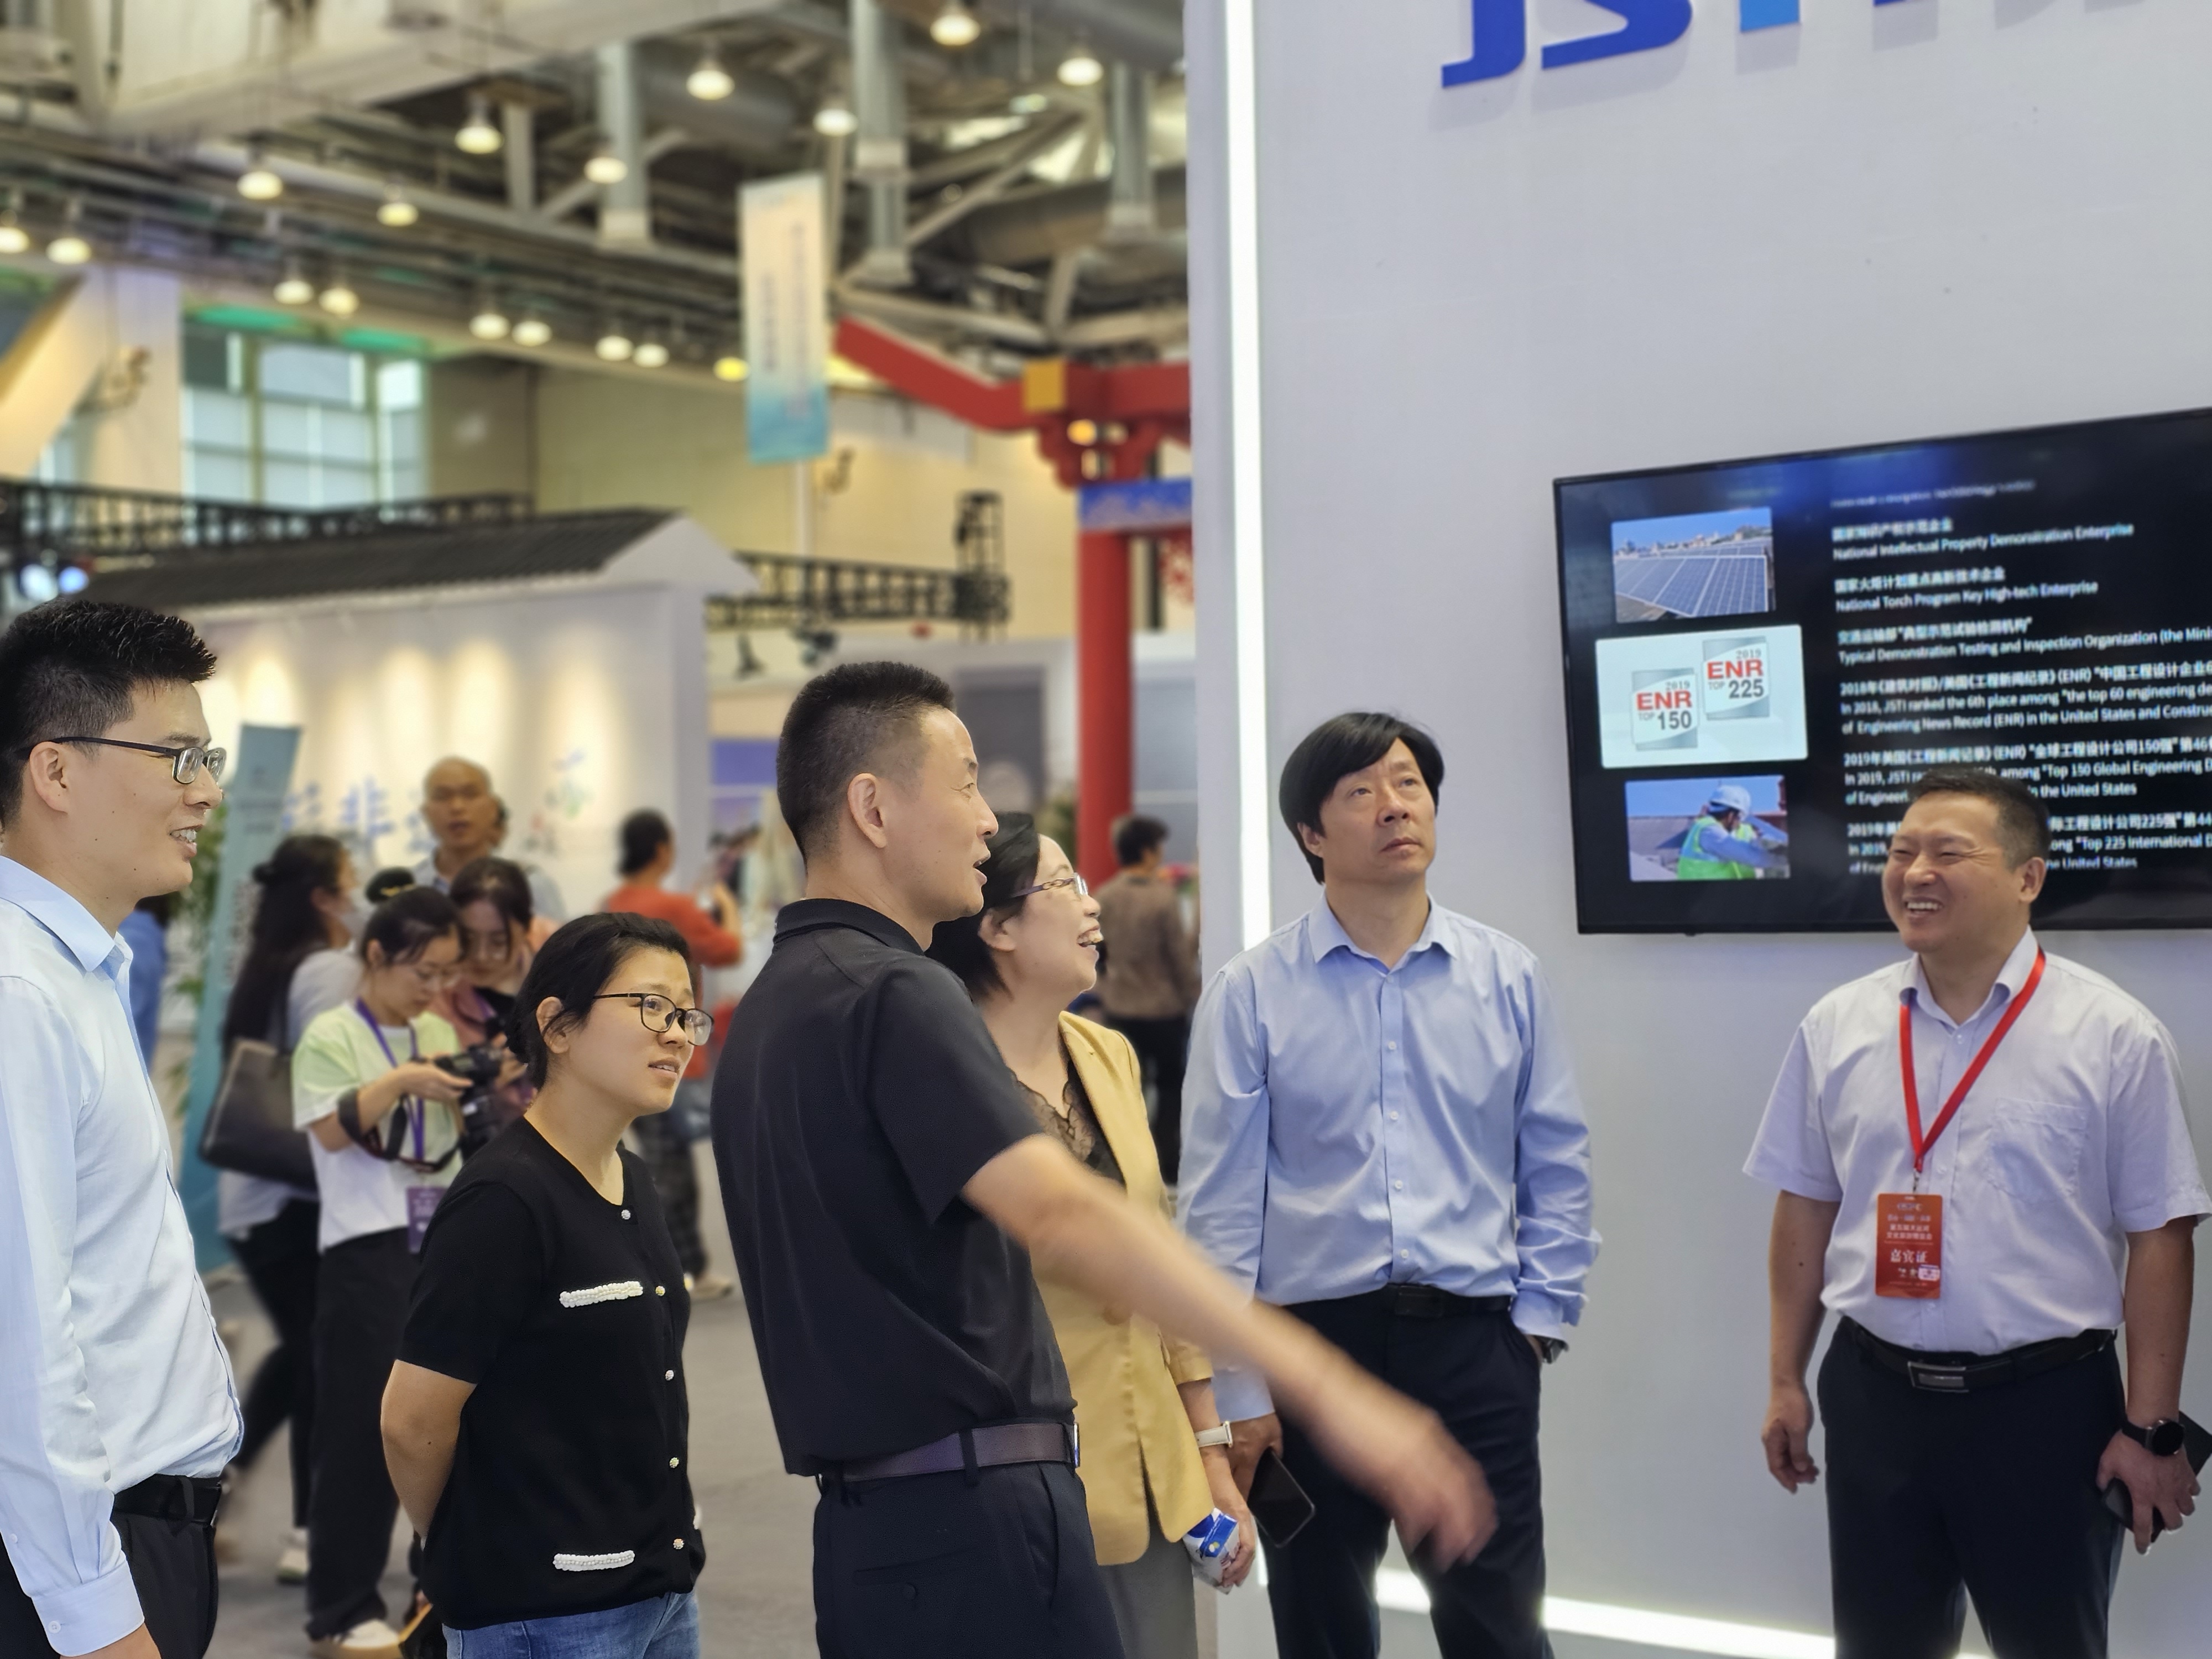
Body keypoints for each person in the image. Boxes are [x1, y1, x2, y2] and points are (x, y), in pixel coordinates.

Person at [713, 662, 1495, 1659]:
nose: (986, 822)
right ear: (872, 808)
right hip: (978, 1525)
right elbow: (1065, 1213)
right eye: (965, 784)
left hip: (875, 1537)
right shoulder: (897, 994)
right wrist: (1334, 1390)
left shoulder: (778, 1006)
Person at [1747, 767, 2209, 1659]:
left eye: (1948, 853)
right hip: (1874, 1395)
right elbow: (1805, 1201)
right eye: (1900, 852)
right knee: (1881, 1645)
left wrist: (2150, 1425)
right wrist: (1784, 1380)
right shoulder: (1838, 1025)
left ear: (2029, 877)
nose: (1915, 873)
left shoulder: (2114, 1035)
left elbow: (2162, 1234)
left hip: (2044, 1410)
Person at [1180, 712, 1599, 1659]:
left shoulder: (1507, 977)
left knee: (1499, 1626)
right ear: (1311, 834)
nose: (1395, 807)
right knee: (1323, 1625)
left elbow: (1557, 1159)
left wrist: (1536, 1326)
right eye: (1362, 792)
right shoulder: (1252, 993)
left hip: (1475, 1344)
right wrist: (1240, 1384)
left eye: (1409, 784)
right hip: (1309, 1351)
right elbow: (1220, 1206)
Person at [928, 814, 1256, 1659]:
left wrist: (1212, 1455)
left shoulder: (1107, 1054)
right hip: (1020, 1488)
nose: (1092, 904)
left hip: (1154, 1479)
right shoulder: (941, 1077)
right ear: (998, 928)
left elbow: (1158, 1257)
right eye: (1065, 885)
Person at [0, 598, 242, 1659]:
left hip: (140, 1536)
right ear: (56, 771)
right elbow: (21, 1343)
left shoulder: (78, 968)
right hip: (81, 1568)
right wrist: (99, 1620)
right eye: (178, 757)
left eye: (209, 759)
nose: (206, 791)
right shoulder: (19, 993)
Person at [383, 912, 707, 1659]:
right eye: (651, 1006)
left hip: (660, 1591)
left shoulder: (635, 1181)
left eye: (686, 1014)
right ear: (557, 1026)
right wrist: (467, 1541)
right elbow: (411, 1420)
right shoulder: (503, 1201)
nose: (676, 1034)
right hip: (543, 1613)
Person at [291, 888, 471, 1659]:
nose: (435, 989)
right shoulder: (331, 1034)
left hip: (441, 1237)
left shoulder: (437, 1028)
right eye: (422, 973)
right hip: (364, 1247)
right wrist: (404, 1081)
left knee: (453, 1420)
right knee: (362, 1430)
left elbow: (449, 1134)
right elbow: (330, 1132)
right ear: (375, 956)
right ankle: (340, 1606)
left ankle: (438, 1586)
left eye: (446, 974)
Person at [217, 833, 364, 1588]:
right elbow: (336, 1075)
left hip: (254, 1197)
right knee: (320, 1360)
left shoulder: (267, 965)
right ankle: (309, 1528)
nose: (361, 893)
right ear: (325, 897)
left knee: (303, 1347)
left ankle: (231, 1475)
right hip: (297, 1194)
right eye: (351, 881)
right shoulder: (329, 969)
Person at [602, 810, 742, 1300]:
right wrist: (727, 905)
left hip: (620, 1052)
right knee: (672, 1168)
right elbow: (727, 950)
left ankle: (678, 1267)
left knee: (652, 1161)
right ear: (662, 850)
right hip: (669, 1051)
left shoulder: (613, 904)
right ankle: (680, 1269)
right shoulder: (674, 907)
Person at [1093, 814, 1203, 1184]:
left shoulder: (1105, 896)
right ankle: (1167, 1162)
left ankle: (1128, 1162)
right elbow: (1178, 957)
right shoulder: (1162, 898)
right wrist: (1192, 994)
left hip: (1121, 1007)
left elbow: (1098, 953)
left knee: (1128, 1089)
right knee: (1171, 1088)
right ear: (1146, 851)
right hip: (1164, 1009)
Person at [432, 855, 545, 1138]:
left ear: (527, 928)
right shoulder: (435, 1000)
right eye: (468, 940)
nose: (481, 956)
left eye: (498, 942)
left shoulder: (562, 968)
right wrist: (486, 1091)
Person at [413, 757, 565, 924]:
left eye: (470, 794)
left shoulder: (531, 884)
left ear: (493, 807)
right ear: (425, 812)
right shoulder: (408, 888)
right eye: (442, 797)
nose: (457, 807)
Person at [1675, 783, 1788, 880]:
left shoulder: (1716, 829)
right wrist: (1785, 858)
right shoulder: (1710, 832)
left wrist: (1774, 849)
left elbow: (1756, 848)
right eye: (1739, 818)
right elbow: (1753, 857)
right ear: (1731, 815)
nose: (1740, 823)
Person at [118, 895, 170, 1063]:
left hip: (119, 1065)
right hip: (129, 1065)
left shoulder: (132, 940)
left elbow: (123, 1020)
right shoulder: (143, 939)